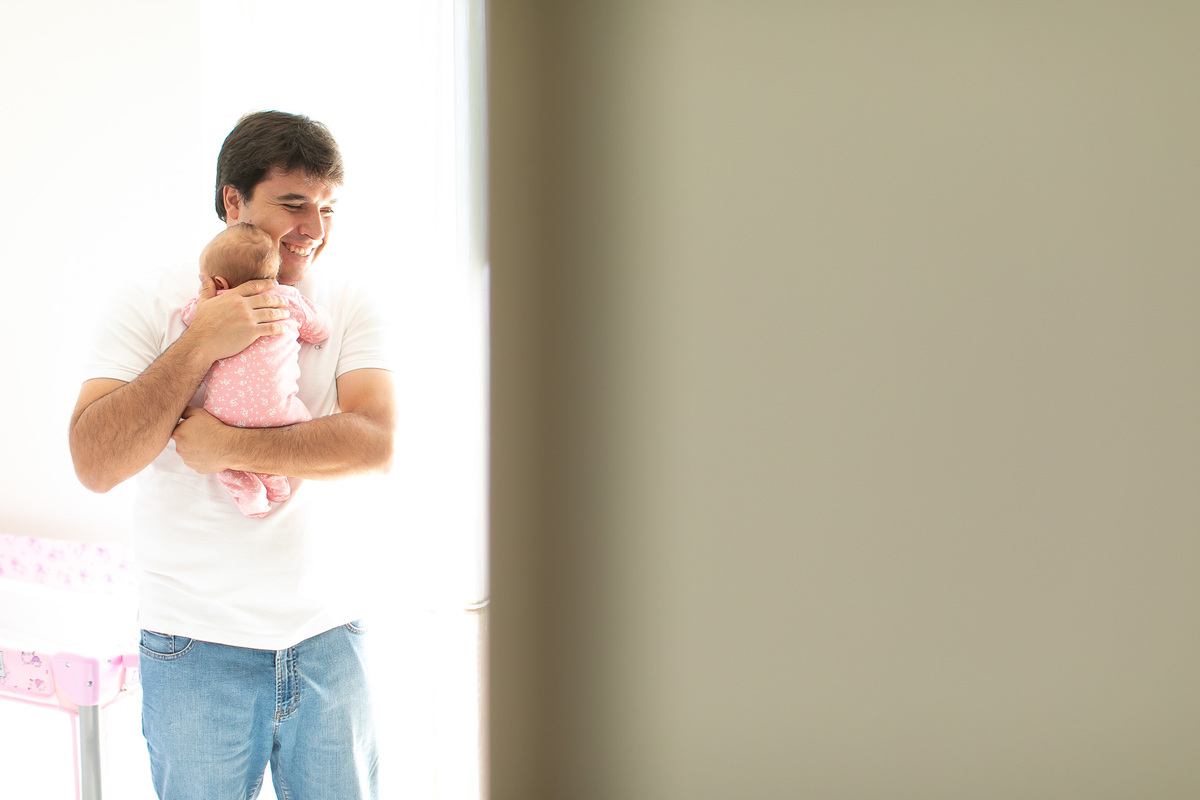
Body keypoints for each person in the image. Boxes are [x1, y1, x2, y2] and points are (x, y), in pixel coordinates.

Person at [68, 110, 392, 799]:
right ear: (232, 202)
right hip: (193, 647)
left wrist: (231, 447)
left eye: (329, 207)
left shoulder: (348, 301)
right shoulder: (150, 300)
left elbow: (377, 444)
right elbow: (95, 463)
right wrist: (198, 344)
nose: (316, 228)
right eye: (294, 202)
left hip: (330, 637)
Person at [183, 222, 332, 518]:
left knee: (225, 463)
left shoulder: (211, 305)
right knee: (301, 432)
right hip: (280, 411)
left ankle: (250, 492)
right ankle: (276, 480)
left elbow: (189, 318)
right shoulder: (286, 298)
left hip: (222, 415)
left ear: (219, 283)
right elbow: (321, 329)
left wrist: (203, 299)